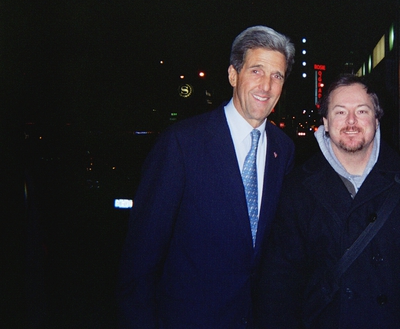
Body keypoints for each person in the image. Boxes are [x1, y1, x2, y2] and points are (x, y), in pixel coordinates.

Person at [116, 25, 296, 328]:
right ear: (232, 75)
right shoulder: (182, 143)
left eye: (277, 75)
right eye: (256, 71)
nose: (266, 85)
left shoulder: (284, 149)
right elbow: (140, 259)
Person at [255, 74, 400, 329]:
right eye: (340, 112)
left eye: (362, 111)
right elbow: (280, 288)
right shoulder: (297, 188)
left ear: (376, 120)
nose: (351, 121)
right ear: (325, 122)